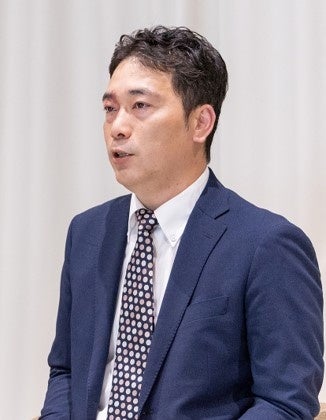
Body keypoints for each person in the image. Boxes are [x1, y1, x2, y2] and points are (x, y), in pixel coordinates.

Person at [40, 26, 323, 419]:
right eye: (109, 109)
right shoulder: (87, 233)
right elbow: (66, 370)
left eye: (140, 106)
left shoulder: (267, 245)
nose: (117, 127)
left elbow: (285, 403)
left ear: (200, 123)